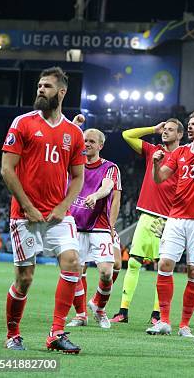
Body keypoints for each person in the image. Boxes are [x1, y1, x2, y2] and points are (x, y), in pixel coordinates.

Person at [2, 66, 86, 353]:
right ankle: (13, 334)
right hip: (24, 216)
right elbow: (7, 170)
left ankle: (56, 332)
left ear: (61, 92)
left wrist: (64, 205)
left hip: (58, 216)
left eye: (47, 86)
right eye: (39, 85)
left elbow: (78, 177)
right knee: (24, 279)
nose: (40, 90)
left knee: (73, 261)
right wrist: (27, 206)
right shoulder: (22, 123)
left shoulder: (73, 132)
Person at [146, 110, 194, 337]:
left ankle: (185, 324)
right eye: (189, 123)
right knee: (164, 264)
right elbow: (160, 178)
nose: (190, 127)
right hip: (176, 217)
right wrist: (157, 165)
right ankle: (164, 321)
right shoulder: (181, 151)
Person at [110, 119, 182, 324]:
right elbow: (127, 135)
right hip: (147, 214)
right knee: (133, 263)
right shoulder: (153, 150)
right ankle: (123, 312)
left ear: (180, 135)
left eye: (170, 130)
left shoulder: (183, 156)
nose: (165, 132)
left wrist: (175, 217)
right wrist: (153, 129)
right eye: (164, 129)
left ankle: (157, 315)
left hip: (169, 219)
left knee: (164, 267)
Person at [64, 128, 120, 330]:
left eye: (91, 141)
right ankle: (80, 315)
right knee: (75, 272)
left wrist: (95, 196)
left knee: (107, 271)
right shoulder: (73, 165)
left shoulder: (110, 167)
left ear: (100, 146)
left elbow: (107, 187)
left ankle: (99, 308)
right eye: (84, 141)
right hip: (74, 225)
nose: (87, 144)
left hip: (99, 226)